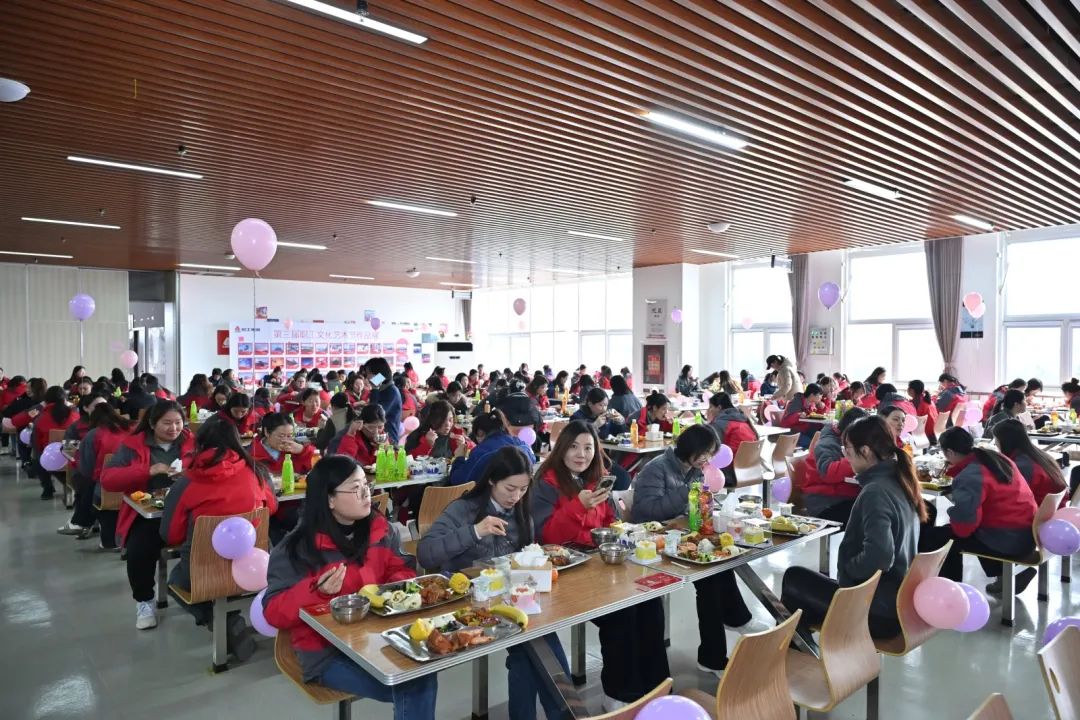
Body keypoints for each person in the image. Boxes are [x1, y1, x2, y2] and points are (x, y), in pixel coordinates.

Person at [263, 456, 437, 720]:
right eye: (356, 489)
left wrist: (397, 588)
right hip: (326, 653)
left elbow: (400, 568)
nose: (366, 494)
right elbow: (273, 612)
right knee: (414, 684)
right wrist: (316, 591)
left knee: (422, 671)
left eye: (366, 485)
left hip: (379, 637)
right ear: (329, 499)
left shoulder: (380, 529)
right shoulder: (296, 549)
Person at [417, 446, 569, 720]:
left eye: (523, 489)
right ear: (491, 480)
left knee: (535, 648)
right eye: (510, 488)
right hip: (469, 607)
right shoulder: (463, 509)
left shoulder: (521, 512)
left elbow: (524, 560)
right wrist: (475, 531)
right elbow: (426, 553)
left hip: (510, 604)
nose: (516, 496)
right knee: (536, 649)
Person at [532, 421, 669, 709]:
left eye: (588, 448)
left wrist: (622, 531)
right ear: (561, 448)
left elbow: (610, 522)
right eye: (573, 447)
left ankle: (657, 688)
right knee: (622, 614)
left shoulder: (598, 479)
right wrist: (578, 507)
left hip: (601, 565)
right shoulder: (546, 483)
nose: (581, 454)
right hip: (563, 573)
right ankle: (620, 695)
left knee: (649, 603)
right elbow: (546, 537)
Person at [781, 416, 926, 639]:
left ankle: (798, 652)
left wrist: (849, 569)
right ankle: (817, 650)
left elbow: (879, 557)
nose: (845, 457)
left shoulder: (876, 491)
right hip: (898, 602)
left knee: (794, 579)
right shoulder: (901, 480)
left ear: (865, 451)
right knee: (806, 591)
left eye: (847, 450)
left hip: (877, 609)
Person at [631, 425, 760, 675]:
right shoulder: (656, 469)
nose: (707, 460)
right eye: (704, 453)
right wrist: (686, 492)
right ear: (690, 448)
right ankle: (715, 653)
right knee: (709, 579)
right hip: (653, 544)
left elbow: (695, 507)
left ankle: (735, 622)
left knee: (719, 563)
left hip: (681, 537)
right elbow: (647, 512)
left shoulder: (696, 469)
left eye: (711, 454)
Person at [161, 418, 277, 659]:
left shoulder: (187, 481)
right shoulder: (257, 472)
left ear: (200, 444)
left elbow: (170, 534)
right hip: (253, 566)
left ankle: (224, 619)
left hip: (202, 571)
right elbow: (272, 508)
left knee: (174, 581)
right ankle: (229, 618)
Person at [101, 401, 195, 629]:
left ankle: (204, 592)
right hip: (150, 513)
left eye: (178, 422)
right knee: (139, 550)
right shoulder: (133, 445)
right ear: (152, 424)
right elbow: (108, 480)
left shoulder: (193, 442)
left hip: (187, 509)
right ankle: (144, 600)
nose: (174, 428)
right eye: (167, 423)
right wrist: (149, 470)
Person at [921, 427, 1037, 593]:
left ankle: (950, 591)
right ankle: (1002, 573)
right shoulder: (994, 458)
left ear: (950, 452)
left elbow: (963, 528)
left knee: (938, 538)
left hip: (1007, 539)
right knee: (964, 528)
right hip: (1027, 532)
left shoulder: (971, 475)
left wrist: (954, 514)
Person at [63, 402, 132, 547]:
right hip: (135, 483)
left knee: (87, 486)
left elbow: (87, 470)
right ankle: (82, 522)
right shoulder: (132, 429)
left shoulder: (93, 435)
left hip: (106, 488)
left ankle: (84, 524)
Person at [801, 408, 868, 523]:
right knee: (868, 514)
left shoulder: (846, 440)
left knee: (876, 506)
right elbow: (827, 473)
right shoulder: (827, 444)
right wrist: (855, 458)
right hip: (824, 502)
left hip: (844, 496)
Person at [447, 409, 535, 486]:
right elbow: (533, 460)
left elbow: (458, 480)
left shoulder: (481, 452)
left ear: (480, 432)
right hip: (521, 494)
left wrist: (459, 458)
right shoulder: (521, 444)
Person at [992, 419, 1067, 509]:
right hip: (1054, 509)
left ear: (1005, 441)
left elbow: (1013, 497)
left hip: (1040, 513)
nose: (995, 443)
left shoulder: (1021, 465)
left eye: (996, 439)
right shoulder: (1037, 455)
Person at [30, 386, 80, 499]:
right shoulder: (75, 415)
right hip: (71, 453)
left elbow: (36, 443)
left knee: (37, 458)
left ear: (46, 400)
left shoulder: (40, 418)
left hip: (50, 455)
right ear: (65, 399)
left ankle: (47, 489)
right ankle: (70, 484)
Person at [705, 392, 758, 487]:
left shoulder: (720, 424)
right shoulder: (743, 419)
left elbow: (707, 444)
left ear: (719, 408)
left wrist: (710, 421)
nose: (708, 410)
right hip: (751, 470)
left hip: (730, 474)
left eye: (711, 407)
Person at [251, 412, 316, 474]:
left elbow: (317, 465)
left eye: (289, 436)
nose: (285, 440)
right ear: (267, 432)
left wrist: (302, 450)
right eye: (281, 436)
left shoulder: (294, 450)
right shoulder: (252, 454)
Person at [405, 400, 472, 459]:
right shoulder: (418, 436)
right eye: (443, 420)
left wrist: (464, 445)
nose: (448, 424)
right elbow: (409, 459)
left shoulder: (457, 433)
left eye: (450, 420)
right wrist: (426, 444)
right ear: (433, 420)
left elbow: (473, 451)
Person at [366, 358, 402, 444]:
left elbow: (374, 415)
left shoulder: (391, 391)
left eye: (369, 373)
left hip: (388, 440)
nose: (367, 377)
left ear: (378, 374)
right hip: (379, 437)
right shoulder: (383, 389)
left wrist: (374, 388)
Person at [779, 383, 825, 449]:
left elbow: (816, 418)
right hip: (791, 431)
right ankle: (811, 454)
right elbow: (786, 421)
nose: (821, 397)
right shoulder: (795, 402)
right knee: (811, 442)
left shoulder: (812, 404)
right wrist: (798, 415)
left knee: (821, 436)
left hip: (803, 430)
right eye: (819, 395)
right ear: (812, 395)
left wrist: (821, 409)